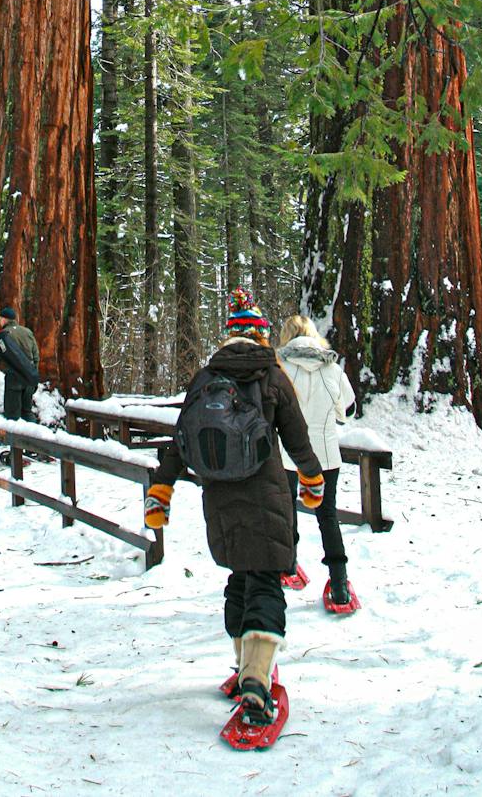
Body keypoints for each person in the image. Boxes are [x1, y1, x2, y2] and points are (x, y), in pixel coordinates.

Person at [143, 287, 325, 726]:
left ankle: (244, 666)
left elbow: (179, 440)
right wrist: (313, 479)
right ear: (262, 338)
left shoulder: (205, 378)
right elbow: (297, 436)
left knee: (239, 581)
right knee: (265, 581)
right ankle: (256, 684)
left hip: (220, 499)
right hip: (266, 494)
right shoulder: (271, 376)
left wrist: (161, 492)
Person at [277, 314, 357, 609]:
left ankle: (287, 568)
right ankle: (339, 585)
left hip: (288, 452)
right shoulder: (332, 368)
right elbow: (347, 409)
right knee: (327, 516)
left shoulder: (281, 367)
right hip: (325, 454)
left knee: (287, 511)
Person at [0, 307, 40, 422]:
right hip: (29, 376)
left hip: (13, 378)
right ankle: (32, 438)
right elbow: (36, 357)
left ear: (3, 319)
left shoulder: (1, 337)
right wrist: (34, 377)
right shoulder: (27, 332)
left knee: (12, 416)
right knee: (27, 412)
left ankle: (13, 440)